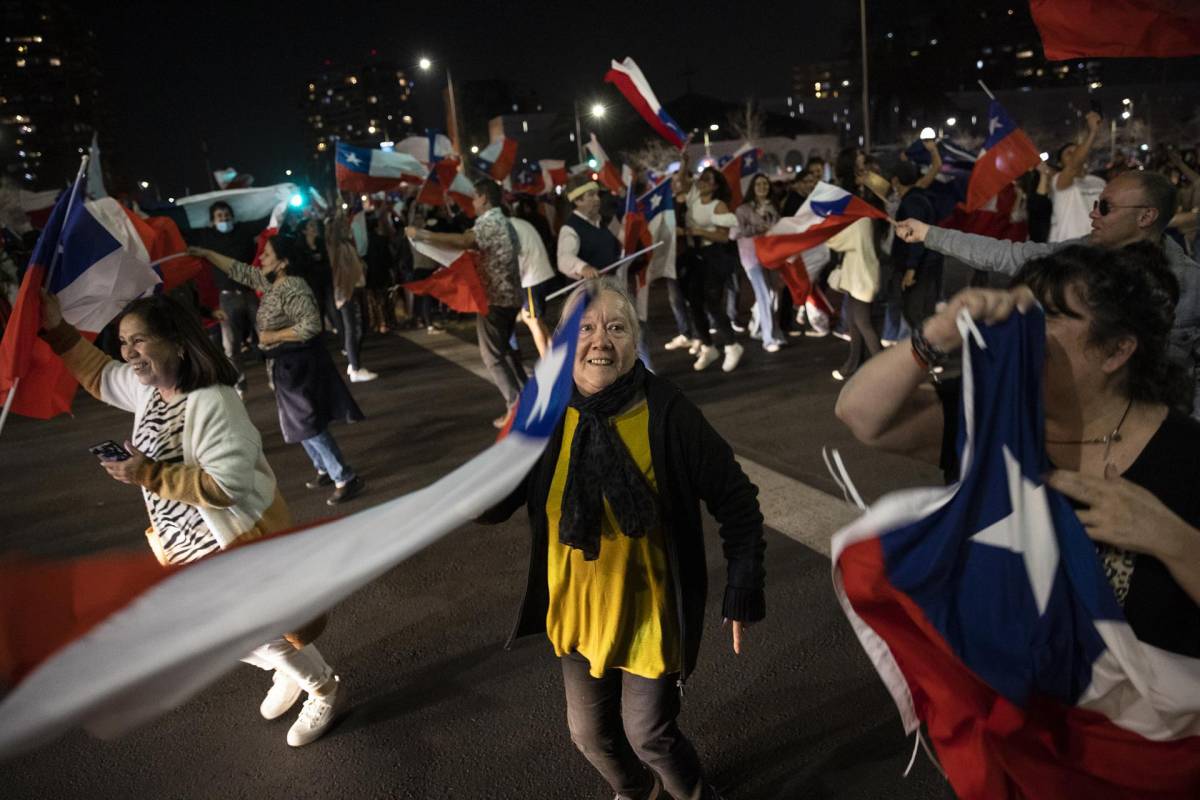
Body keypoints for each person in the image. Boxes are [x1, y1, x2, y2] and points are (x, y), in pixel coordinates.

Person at [835, 243, 1199, 660]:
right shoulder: (991, 411)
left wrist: (1171, 538)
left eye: (1048, 315)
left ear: (1116, 350)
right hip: (1001, 699)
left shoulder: (1185, 455)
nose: (1016, 321)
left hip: (1125, 713)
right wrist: (936, 335)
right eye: (1015, 305)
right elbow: (859, 415)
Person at [480, 278, 765, 800]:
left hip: (650, 615)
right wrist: (473, 482)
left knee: (650, 735)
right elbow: (498, 504)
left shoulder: (668, 413)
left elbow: (737, 500)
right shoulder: (543, 411)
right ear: (565, 342)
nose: (600, 341)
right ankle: (636, 792)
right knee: (588, 735)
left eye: (616, 327)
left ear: (635, 341)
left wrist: (743, 583)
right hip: (576, 612)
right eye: (585, 328)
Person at [37, 291, 347, 747]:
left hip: (230, 544)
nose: (128, 354)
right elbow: (100, 375)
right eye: (124, 343)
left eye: (139, 341)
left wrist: (148, 473)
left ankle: (324, 687)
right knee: (230, 635)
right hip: (181, 543)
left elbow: (228, 486)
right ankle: (294, 673)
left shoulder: (214, 402)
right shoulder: (148, 390)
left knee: (238, 631)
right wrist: (55, 328)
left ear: (178, 342)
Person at [895, 169, 1200, 416]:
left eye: (1105, 207)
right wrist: (928, 234)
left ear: (1146, 217)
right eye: (1095, 203)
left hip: (1152, 429)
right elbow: (1009, 255)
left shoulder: (1192, 284)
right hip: (1081, 421)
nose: (1093, 214)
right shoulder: (1079, 253)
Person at [188, 235, 366, 505]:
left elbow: (311, 325)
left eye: (268, 255)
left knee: (307, 423)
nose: (262, 258)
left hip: (299, 363)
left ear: (283, 262)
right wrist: (208, 254)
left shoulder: (292, 285)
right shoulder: (275, 282)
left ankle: (345, 477)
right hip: (287, 364)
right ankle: (324, 469)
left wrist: (272, 336)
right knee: (299, 422)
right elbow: (240, 270)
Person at [407, 179, 526, 428]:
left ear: (484, 198)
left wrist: (423, 235)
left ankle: (516, 406)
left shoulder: (489, 221)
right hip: (511, 296)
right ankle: (524, 396)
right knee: (504, 350)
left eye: (474, 197)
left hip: (495, 299)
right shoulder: (506, 222)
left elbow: (464, 241)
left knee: (492, 356)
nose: (472, 202)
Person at [182, 201, 269, 391]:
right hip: (227, 298)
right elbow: (181, 230)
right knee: (231, 346)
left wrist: (282, 201)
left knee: (268, 338)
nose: (224, 219)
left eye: (226, 215)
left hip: (251, 294)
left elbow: (266, 220)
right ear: (213, 221)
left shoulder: (243, 230)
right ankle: (239, 384)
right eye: (219, 216)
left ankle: (275, 377)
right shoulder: (207, 236)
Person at [679, 160, 745, 372]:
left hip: (713, 256)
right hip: (695, 256)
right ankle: (708, 346)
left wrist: (699, 232)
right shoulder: (694, 199)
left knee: (712, 303)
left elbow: (724, 237)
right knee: (694, 302)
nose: (703, 182)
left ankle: (732, 345)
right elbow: (681, 180)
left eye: (708, 179)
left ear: (716, 185)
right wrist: (683, 161)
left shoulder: (718, 206)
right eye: (702, 178)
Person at [889, 160, 944, 330]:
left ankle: (929, 352)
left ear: (895, 181)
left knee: (915, 312)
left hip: (922, 266)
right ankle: (930, 351)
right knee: (921, 311)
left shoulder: (912, 202)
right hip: (928, 262)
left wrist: (911, 269)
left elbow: (915, 237)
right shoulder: (919, 197)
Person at [734, 173, 786, 352]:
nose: (762, 187)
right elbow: (739, 231)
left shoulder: (774, 206)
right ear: (752, 188)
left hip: (771, 256)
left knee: (773, 294)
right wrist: (759, 227)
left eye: (765, 183)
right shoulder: (744, 209)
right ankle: (769, 338)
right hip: (752, 257)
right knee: (763, 294)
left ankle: (764, 329)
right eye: (758, 184)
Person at [326, 214, 378, 383]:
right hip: (347, 293)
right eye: (345, 227)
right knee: (353, 330)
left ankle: (354, 363)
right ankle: (355, 368)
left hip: (350, 291)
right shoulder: (340, 248)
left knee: (357, 328)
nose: (349, 229)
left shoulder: (345, 246)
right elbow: (342, 273)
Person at [1050, 111, 1106, 243]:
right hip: (1068, 247)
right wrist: (1092, 132)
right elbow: (1074, 165)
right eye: (1069, 153)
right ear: (1060, 163)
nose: (1076, 154)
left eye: (1078, 151)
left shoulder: (1099, 182)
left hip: (1097, 246)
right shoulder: (1060, 181)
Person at [508, 211, 557, 358]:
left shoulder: (507, 227)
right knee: (533, 318)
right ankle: (552, 352)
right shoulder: (520, 223)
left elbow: (512, 254)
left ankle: (547, 361)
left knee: (532, 319)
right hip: (538, 273)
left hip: (531, 277)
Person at [557, 175, 618, 282]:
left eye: (597, 194)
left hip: (610, 287)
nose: (597, 199)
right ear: (577, 201)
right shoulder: (570, 228)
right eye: (591, 195)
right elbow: (563, 258)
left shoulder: (603, 220)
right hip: (588, 293)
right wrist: (583, 268)